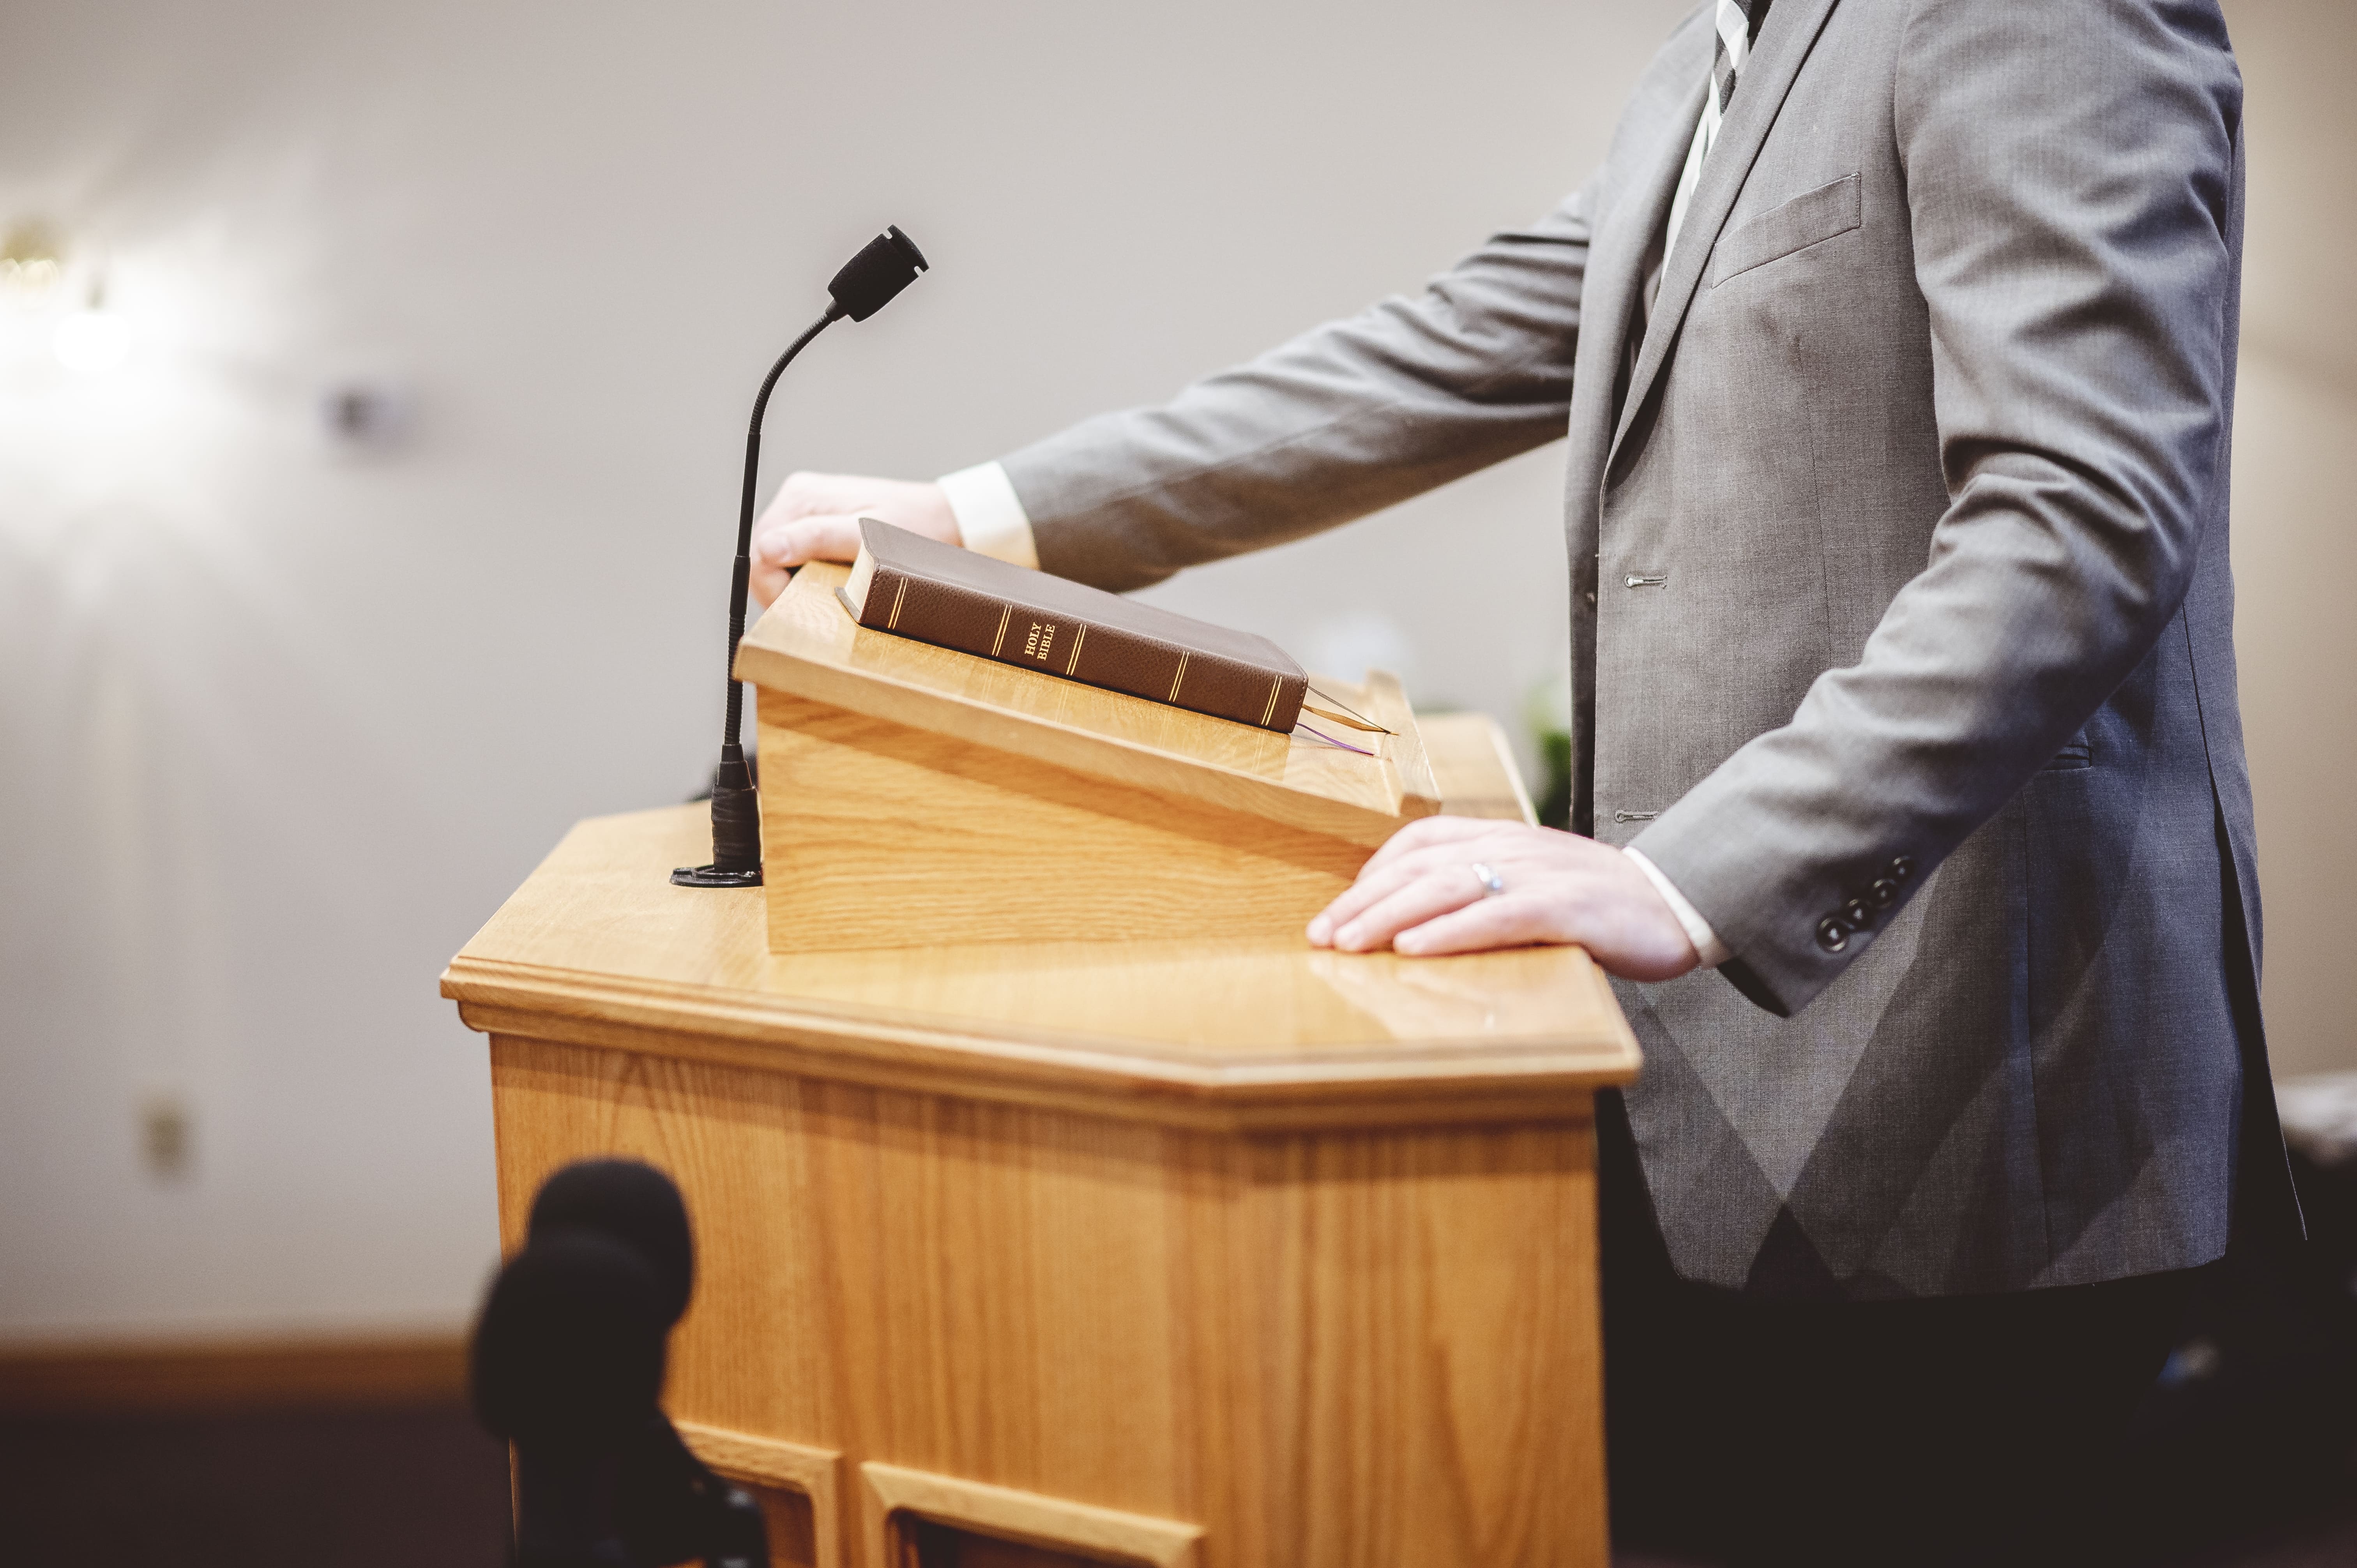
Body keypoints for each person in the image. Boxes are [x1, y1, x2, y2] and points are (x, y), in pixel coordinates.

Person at [749, 1, 2295, 1559]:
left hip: (1979, 1110)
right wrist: (978, 516)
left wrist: (1688, 877)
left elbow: (2081, 516)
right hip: (1719, 1100)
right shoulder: (1708, 70)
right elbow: (1433, 354)